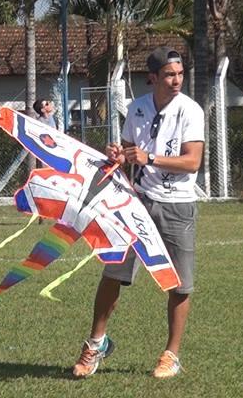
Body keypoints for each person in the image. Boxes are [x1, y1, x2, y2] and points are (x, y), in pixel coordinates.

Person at [72, 46, 205, 379]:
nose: (176, 81)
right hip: (137, 203)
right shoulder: (138, 108)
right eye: (169, 75)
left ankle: (171, 355)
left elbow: (192, 162)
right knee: (112, 274)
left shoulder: (191, 111)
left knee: (179, 283)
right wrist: (118, 154)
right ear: (153, 78)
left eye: (180, 75)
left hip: (177, 206)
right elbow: (130, 152)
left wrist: (150, 158)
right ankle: (95, 343)